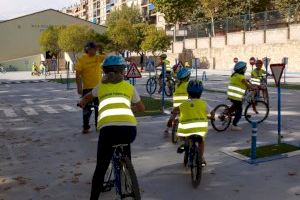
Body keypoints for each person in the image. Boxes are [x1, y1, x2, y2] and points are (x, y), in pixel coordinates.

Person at [79, 55, 145, 200]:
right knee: (125, 150)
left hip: (108, 131)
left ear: (104, 72)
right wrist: (129, 107)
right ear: (122, 71)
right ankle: (128, 169)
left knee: (101, 168)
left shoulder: (100, 87)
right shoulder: (129, 86)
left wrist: (82, 102)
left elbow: (88, 97)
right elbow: (141, 107)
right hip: (128, 130)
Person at [169, 80, 211, 165]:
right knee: (201, 142)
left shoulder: (183, 104)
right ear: (201, 93)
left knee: (184, 135)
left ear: (188, 92)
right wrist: (212, 117)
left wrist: (171, 120)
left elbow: (175, 111)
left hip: (185, 130)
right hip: (200, 130)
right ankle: (201, 158)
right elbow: (212, 113)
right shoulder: (203, 103)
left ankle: (185, 144)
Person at [76, 41, 105, 134]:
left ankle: (98, 125)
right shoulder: (82, 59)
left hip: (98, 88)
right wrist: (79, 88)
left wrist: (100, 48)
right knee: (87, 109)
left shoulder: (98, 57)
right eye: (91, 49)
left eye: (94, 49)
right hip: (87, 88)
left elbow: (105, 57)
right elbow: (77, 75)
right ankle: (86, 127)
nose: (93, 51)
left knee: (99, 108)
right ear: (87, 50)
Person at [227, 61, 255, 131]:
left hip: (231, 94)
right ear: (242, 69)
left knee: (235, 106)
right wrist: (253, 88)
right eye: (245, 68)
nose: (246, 69)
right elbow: (247, 86)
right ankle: (234, 125)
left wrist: (246, 80)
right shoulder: (241, 77)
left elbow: (241, 81)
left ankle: (225, 113)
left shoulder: (234, 75)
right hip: (236, 96)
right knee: (239, 110)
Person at [165, 68, 191, 133]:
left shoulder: (177, 84)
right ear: (187, 77)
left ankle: (167, 128)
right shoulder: (188, 84)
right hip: (184, 105)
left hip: (176, 105)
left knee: (173, 116)